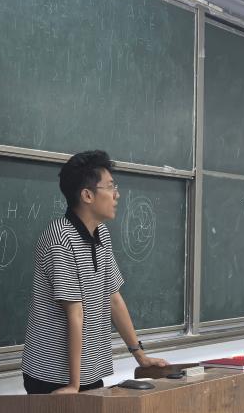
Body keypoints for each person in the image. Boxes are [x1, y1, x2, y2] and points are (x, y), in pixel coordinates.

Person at [21, 150, 169, 395]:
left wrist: (140, 356)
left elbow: (113, 298)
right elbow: (75, 313)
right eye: (110, 187)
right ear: (87, 195)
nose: (117, 194)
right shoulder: (60, 239)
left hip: (88, 370)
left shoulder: (101, 234)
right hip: (52, 374)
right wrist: (74, 385)